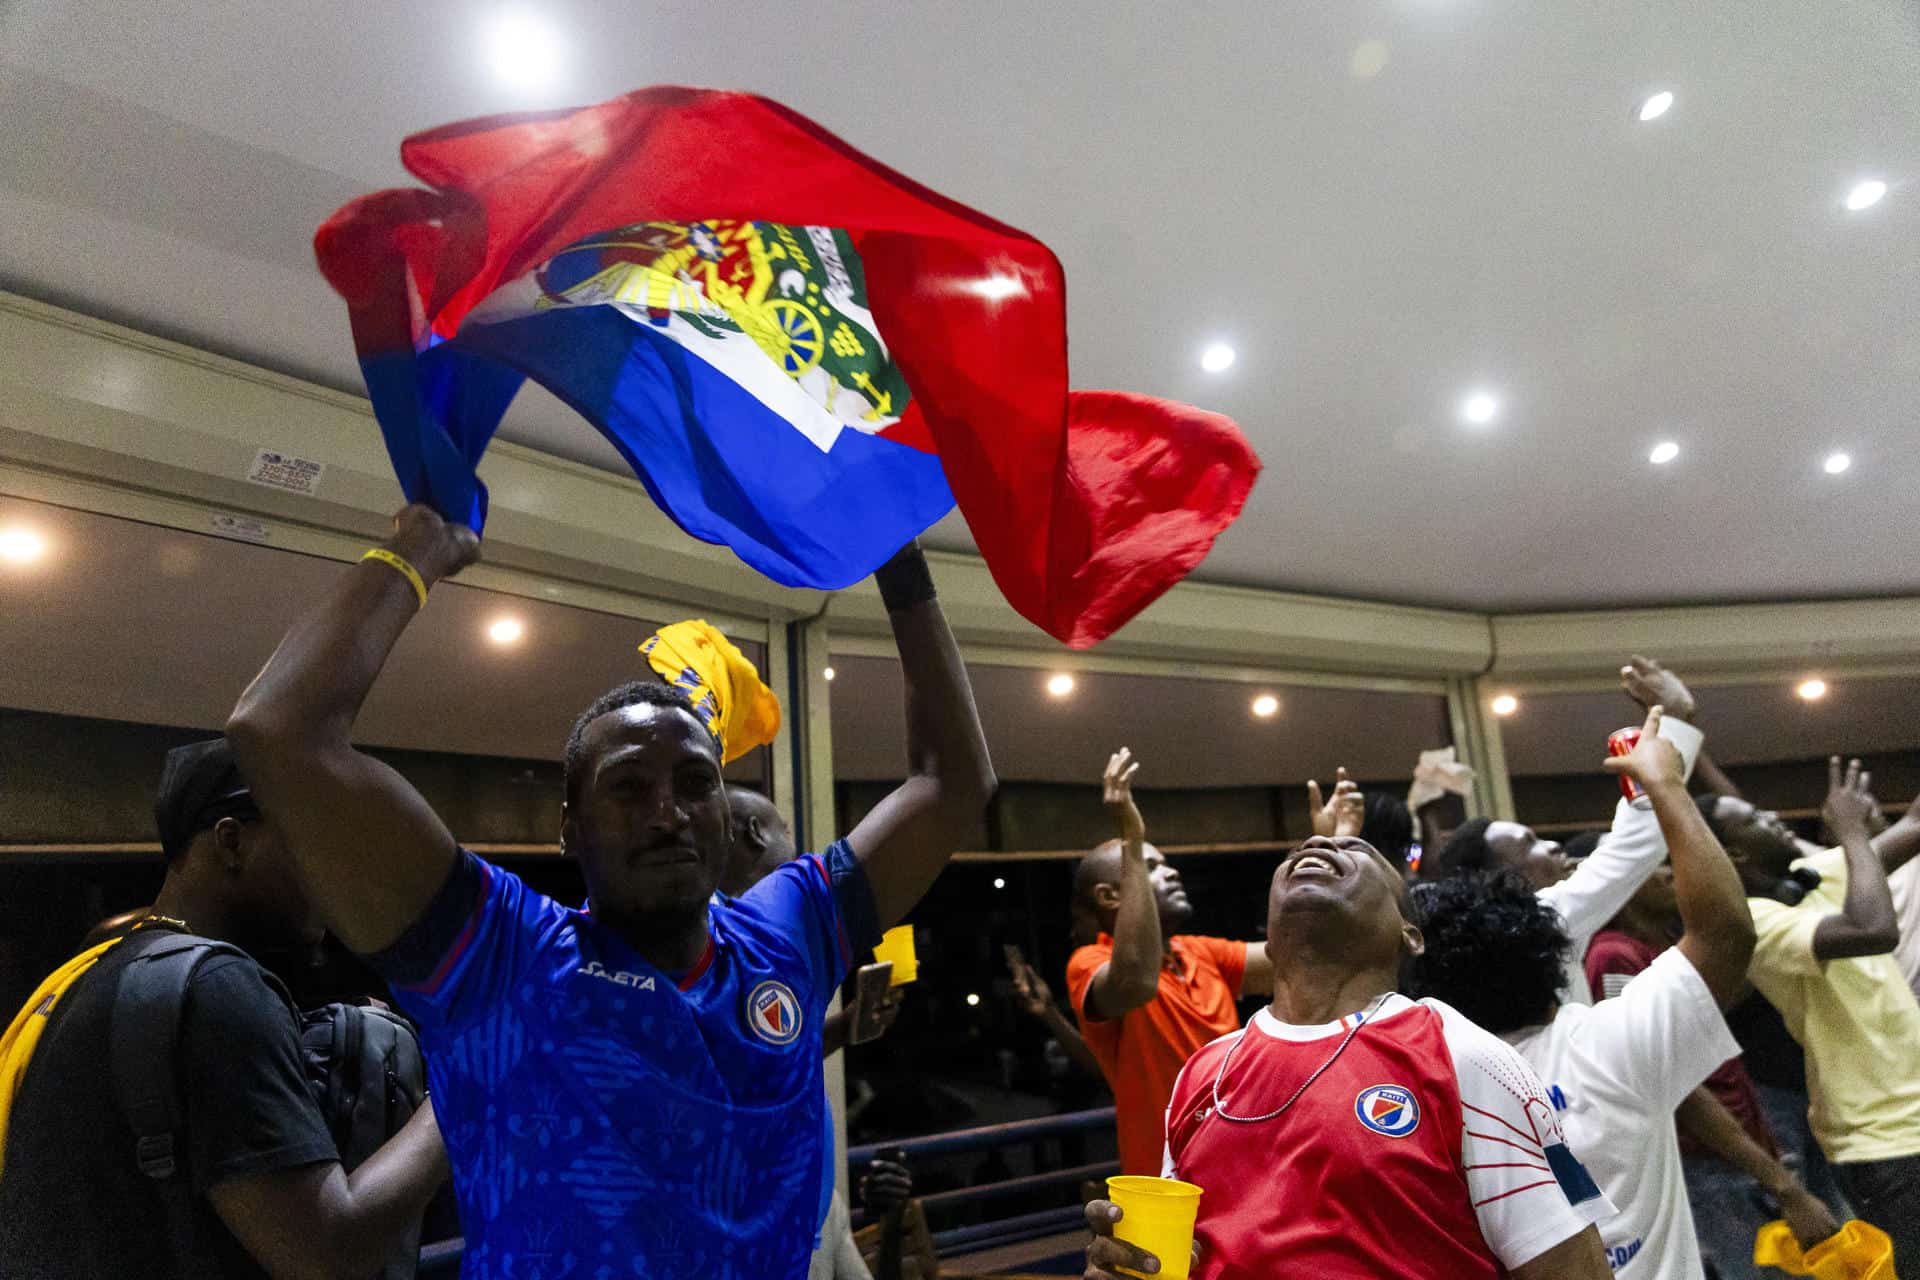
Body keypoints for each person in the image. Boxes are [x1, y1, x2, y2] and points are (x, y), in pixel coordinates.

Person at [225, 505, 995, 1277]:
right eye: (628, 786)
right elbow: (281, 730)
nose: (668, 813)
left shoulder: (786, 933)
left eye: (695, 783)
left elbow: (954, 781)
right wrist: (418, 546)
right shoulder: (503, 957)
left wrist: (897, 549)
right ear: (570, 828)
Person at [0, 737, 448, 1279]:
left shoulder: (84, 977)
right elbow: (329, 1253)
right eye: (315, 846)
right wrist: (463, 1088)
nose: (336, 877)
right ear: (232, 842)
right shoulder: (216, 987)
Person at [1084, 828, 1613, 1279]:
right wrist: (1129, 1266)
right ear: (1270, 943)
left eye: (1358, 851)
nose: (1317, 842)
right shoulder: (1203, 1073)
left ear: (1410, 935)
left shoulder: (1465, 1057)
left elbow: (1573, 1269)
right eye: (1299, 852)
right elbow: (1175, 1263)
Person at [1410, 707, 1810, 1279]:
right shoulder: (1600, 1031)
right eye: (1530, 842)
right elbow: (1721, 928)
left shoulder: (1428, 1080)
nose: (1556, 848)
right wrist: (1664, 775)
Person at [1701, 759, 1920, 1269]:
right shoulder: (1753, 920)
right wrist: (1851, 832)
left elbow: (1914, 824)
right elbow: (1873, 930)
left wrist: (1855, 841)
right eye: (1754, 819)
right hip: (1880, 1139)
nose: (1773, 816)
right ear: (1735, 854)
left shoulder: (1814, 878)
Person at [1586, 859, 1838, 1278]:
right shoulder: (1614, 955)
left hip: (1739, 1152)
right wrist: (1783, 1185)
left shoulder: (1667, 943)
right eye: (1652, 866)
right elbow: (1669, 1086)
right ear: (1623, 884)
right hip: (1706, 1160)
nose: (1670, 871)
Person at [1433, 655, 1706, 1002]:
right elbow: (1633, 846)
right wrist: (1673, 721)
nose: (1553, 845)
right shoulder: (1544, 917)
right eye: (1528, 843)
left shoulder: (1470, 945)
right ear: (1499, 879)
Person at [1065, 748, 1277, 1177]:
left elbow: (1294, 959)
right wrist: (1131, 838)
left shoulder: (1198, 952)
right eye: (1151, 867)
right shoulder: (1089, 962)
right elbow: (1137, 980)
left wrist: (1336, 848)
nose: (1173, 873)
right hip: (1169, 1182)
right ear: (1110, 896)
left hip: (1243, 1164)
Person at [722, 783, 903, 1280]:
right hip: (761, 1223)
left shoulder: (774, 941)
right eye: (785, 829)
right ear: (757, 832)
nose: (798, 847)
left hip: (818, 1202)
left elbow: (762, 1056)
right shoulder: (715, 937)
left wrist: (844, 1027)